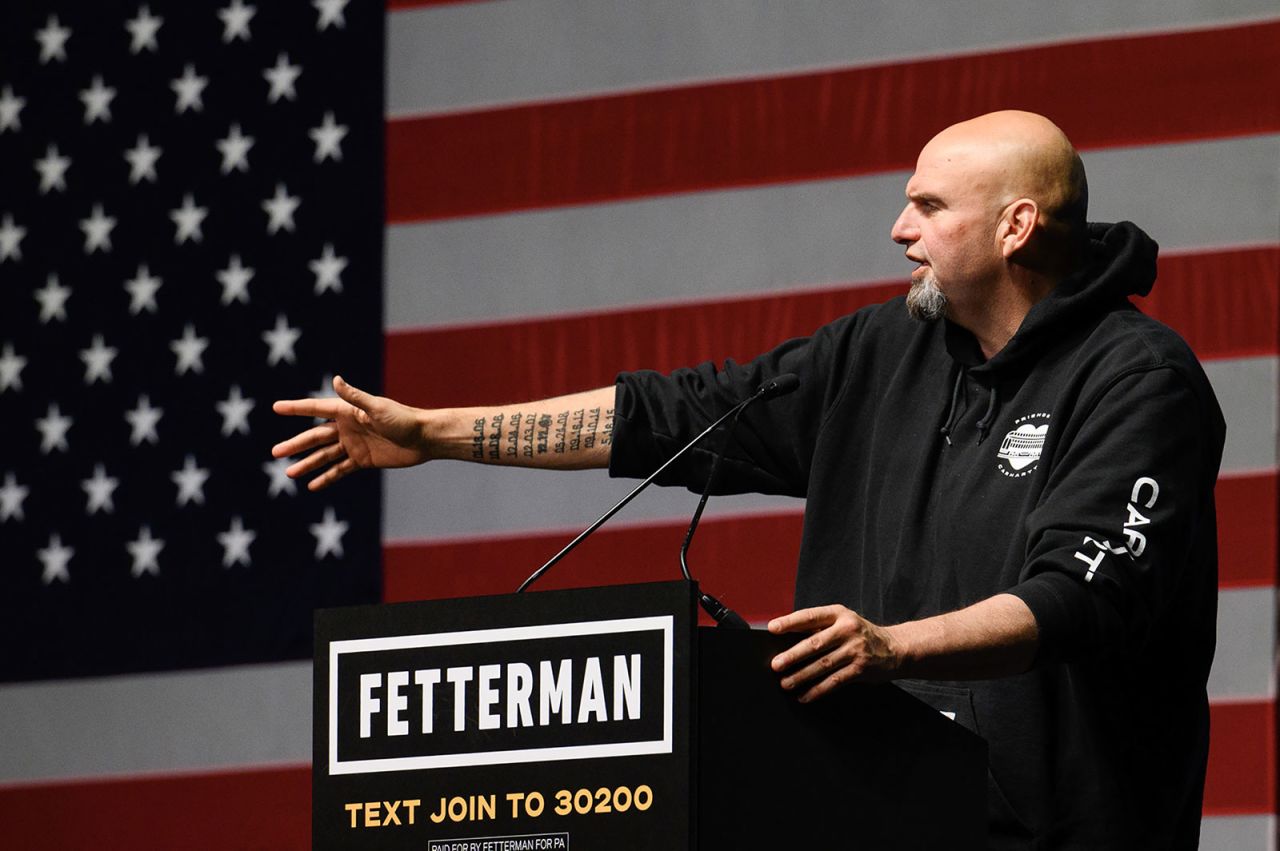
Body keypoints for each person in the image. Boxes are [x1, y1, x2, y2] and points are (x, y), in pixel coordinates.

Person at [274, 111, 1225, 848]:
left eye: (930, 207)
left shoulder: (1140, 382)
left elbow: (1080, 598)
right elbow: (676, 416)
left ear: (1017, 225)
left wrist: (891, 649)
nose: (898, 228)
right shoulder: (877, 353)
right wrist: (433, 433)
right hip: (867, 822)